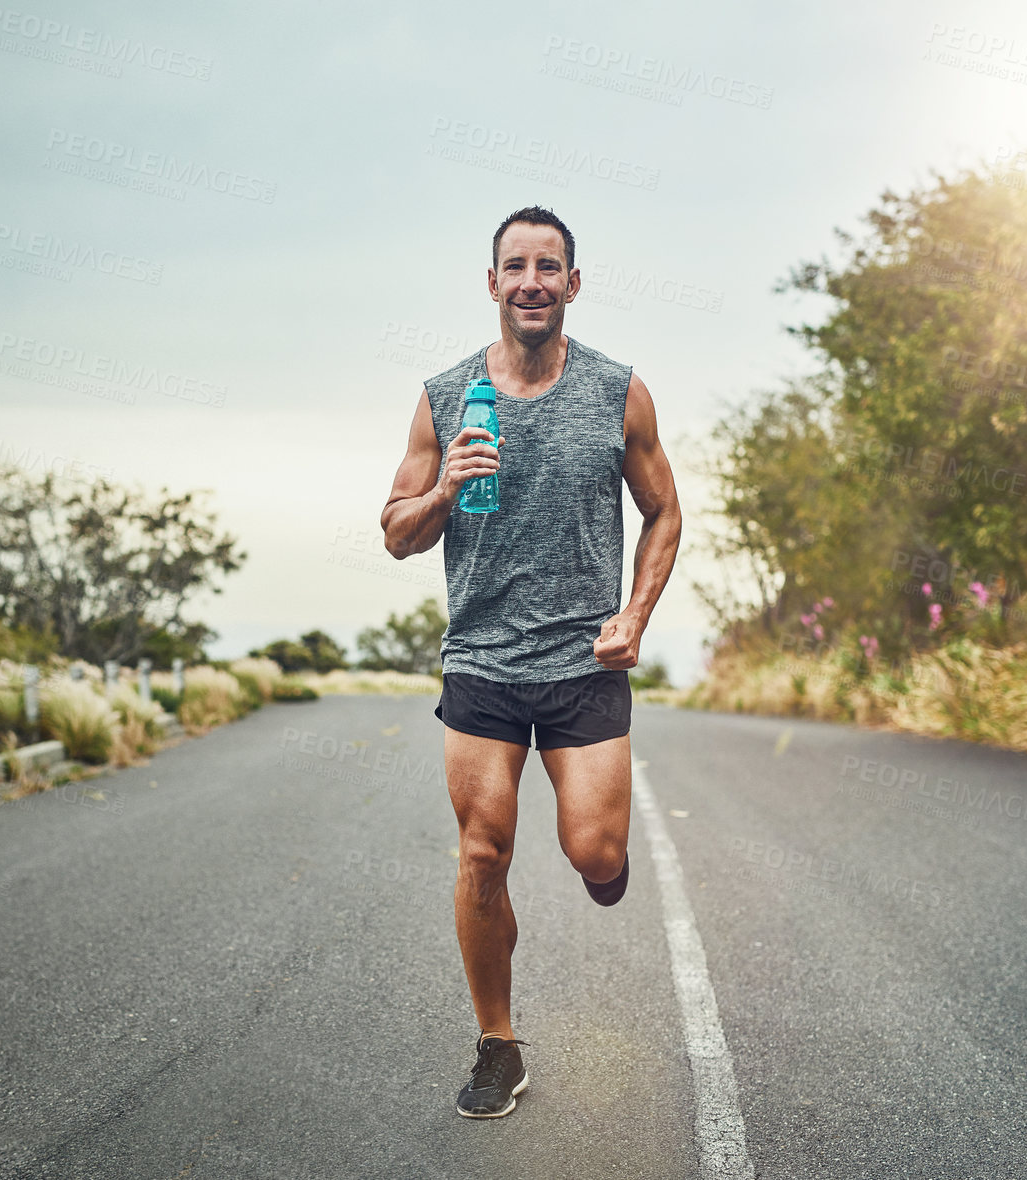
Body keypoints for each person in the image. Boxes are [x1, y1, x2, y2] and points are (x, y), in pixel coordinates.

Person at [379, 206, 682, 1119]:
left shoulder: (616, 391)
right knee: (482, 851)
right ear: (492, 282)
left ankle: (602, 864)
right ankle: (496, 1045)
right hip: (480, 657)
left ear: (572, 285)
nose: (532, 282)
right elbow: (396, 533)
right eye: (516, 266)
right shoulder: (444, 395)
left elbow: (664, 512)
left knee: (594, 851)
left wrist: (633, 615)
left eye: (549, 267)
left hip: (586, 660)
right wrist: (443, 489)